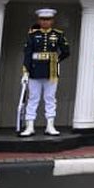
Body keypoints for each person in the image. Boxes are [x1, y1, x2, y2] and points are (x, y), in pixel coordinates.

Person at [19, 8, 71, 137]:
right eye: (42, 19)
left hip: (51, 70)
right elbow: (27, 54)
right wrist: (25, 71)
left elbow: (66, 51)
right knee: (33, 98)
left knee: (50, 98)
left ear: (52, 21)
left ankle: (50, 125)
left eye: (48, 19)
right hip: (34, 69)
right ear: (39, 20)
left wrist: (56, 61)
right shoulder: (32, 35)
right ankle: (29, 126)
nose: (45, 22)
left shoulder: (58, 34)